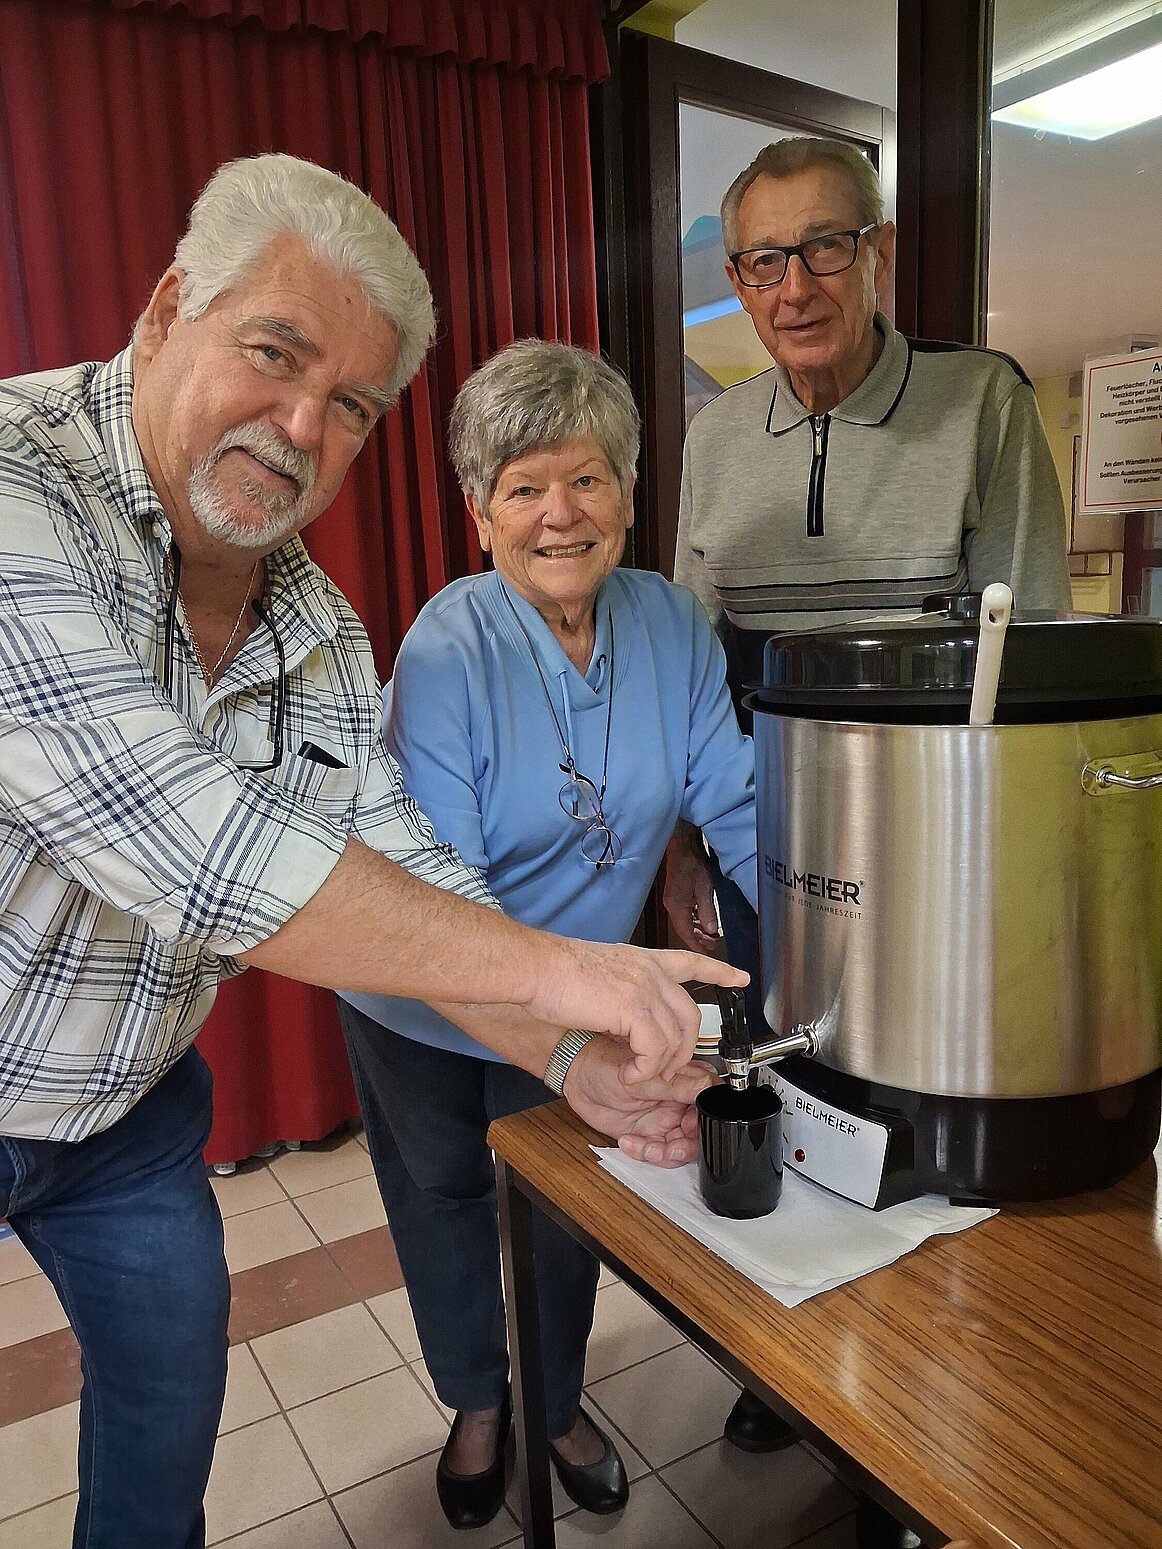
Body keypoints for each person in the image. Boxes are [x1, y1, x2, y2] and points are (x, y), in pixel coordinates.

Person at [0, 155, 745, 1549]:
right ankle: (484, 1404)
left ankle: (535, 1404)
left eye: (350, 403)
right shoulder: (15, 479)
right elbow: (188, 841)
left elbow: (403, 860)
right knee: (438, 1202)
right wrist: (572, 974)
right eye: (275, 353)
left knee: (160, 1439)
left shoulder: (315, 624)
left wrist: (570, 1058)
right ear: (166, 312)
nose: (301, 425)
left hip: (124, 1115)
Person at [665, 135, 1072, 1545]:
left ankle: (917, 1408)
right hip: (755, 841)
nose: (795, 287)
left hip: (929, 844)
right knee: (781, 1088)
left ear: (877, 251)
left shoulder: (978, 403)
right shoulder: (715, 438)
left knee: (918, 1124)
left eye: (825, 247)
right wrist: (682, 855)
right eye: (763, 261)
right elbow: (685, 668)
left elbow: (1026, 654)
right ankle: (791, 1365)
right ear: (735, 280)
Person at [337, 338, 758, 1529]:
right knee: (443, 1195)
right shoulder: (449, 646)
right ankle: (479, 1404)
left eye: (586, 479)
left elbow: (735, 802)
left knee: (568, 1200)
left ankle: (559, 1402)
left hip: (574, 990)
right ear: (481, 515)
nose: (559, 514)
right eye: (523, 487)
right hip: (419, 993)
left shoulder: (669, 621)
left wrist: (834, 913)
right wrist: (562, 1035)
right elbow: (444, 893)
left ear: (627, 493)